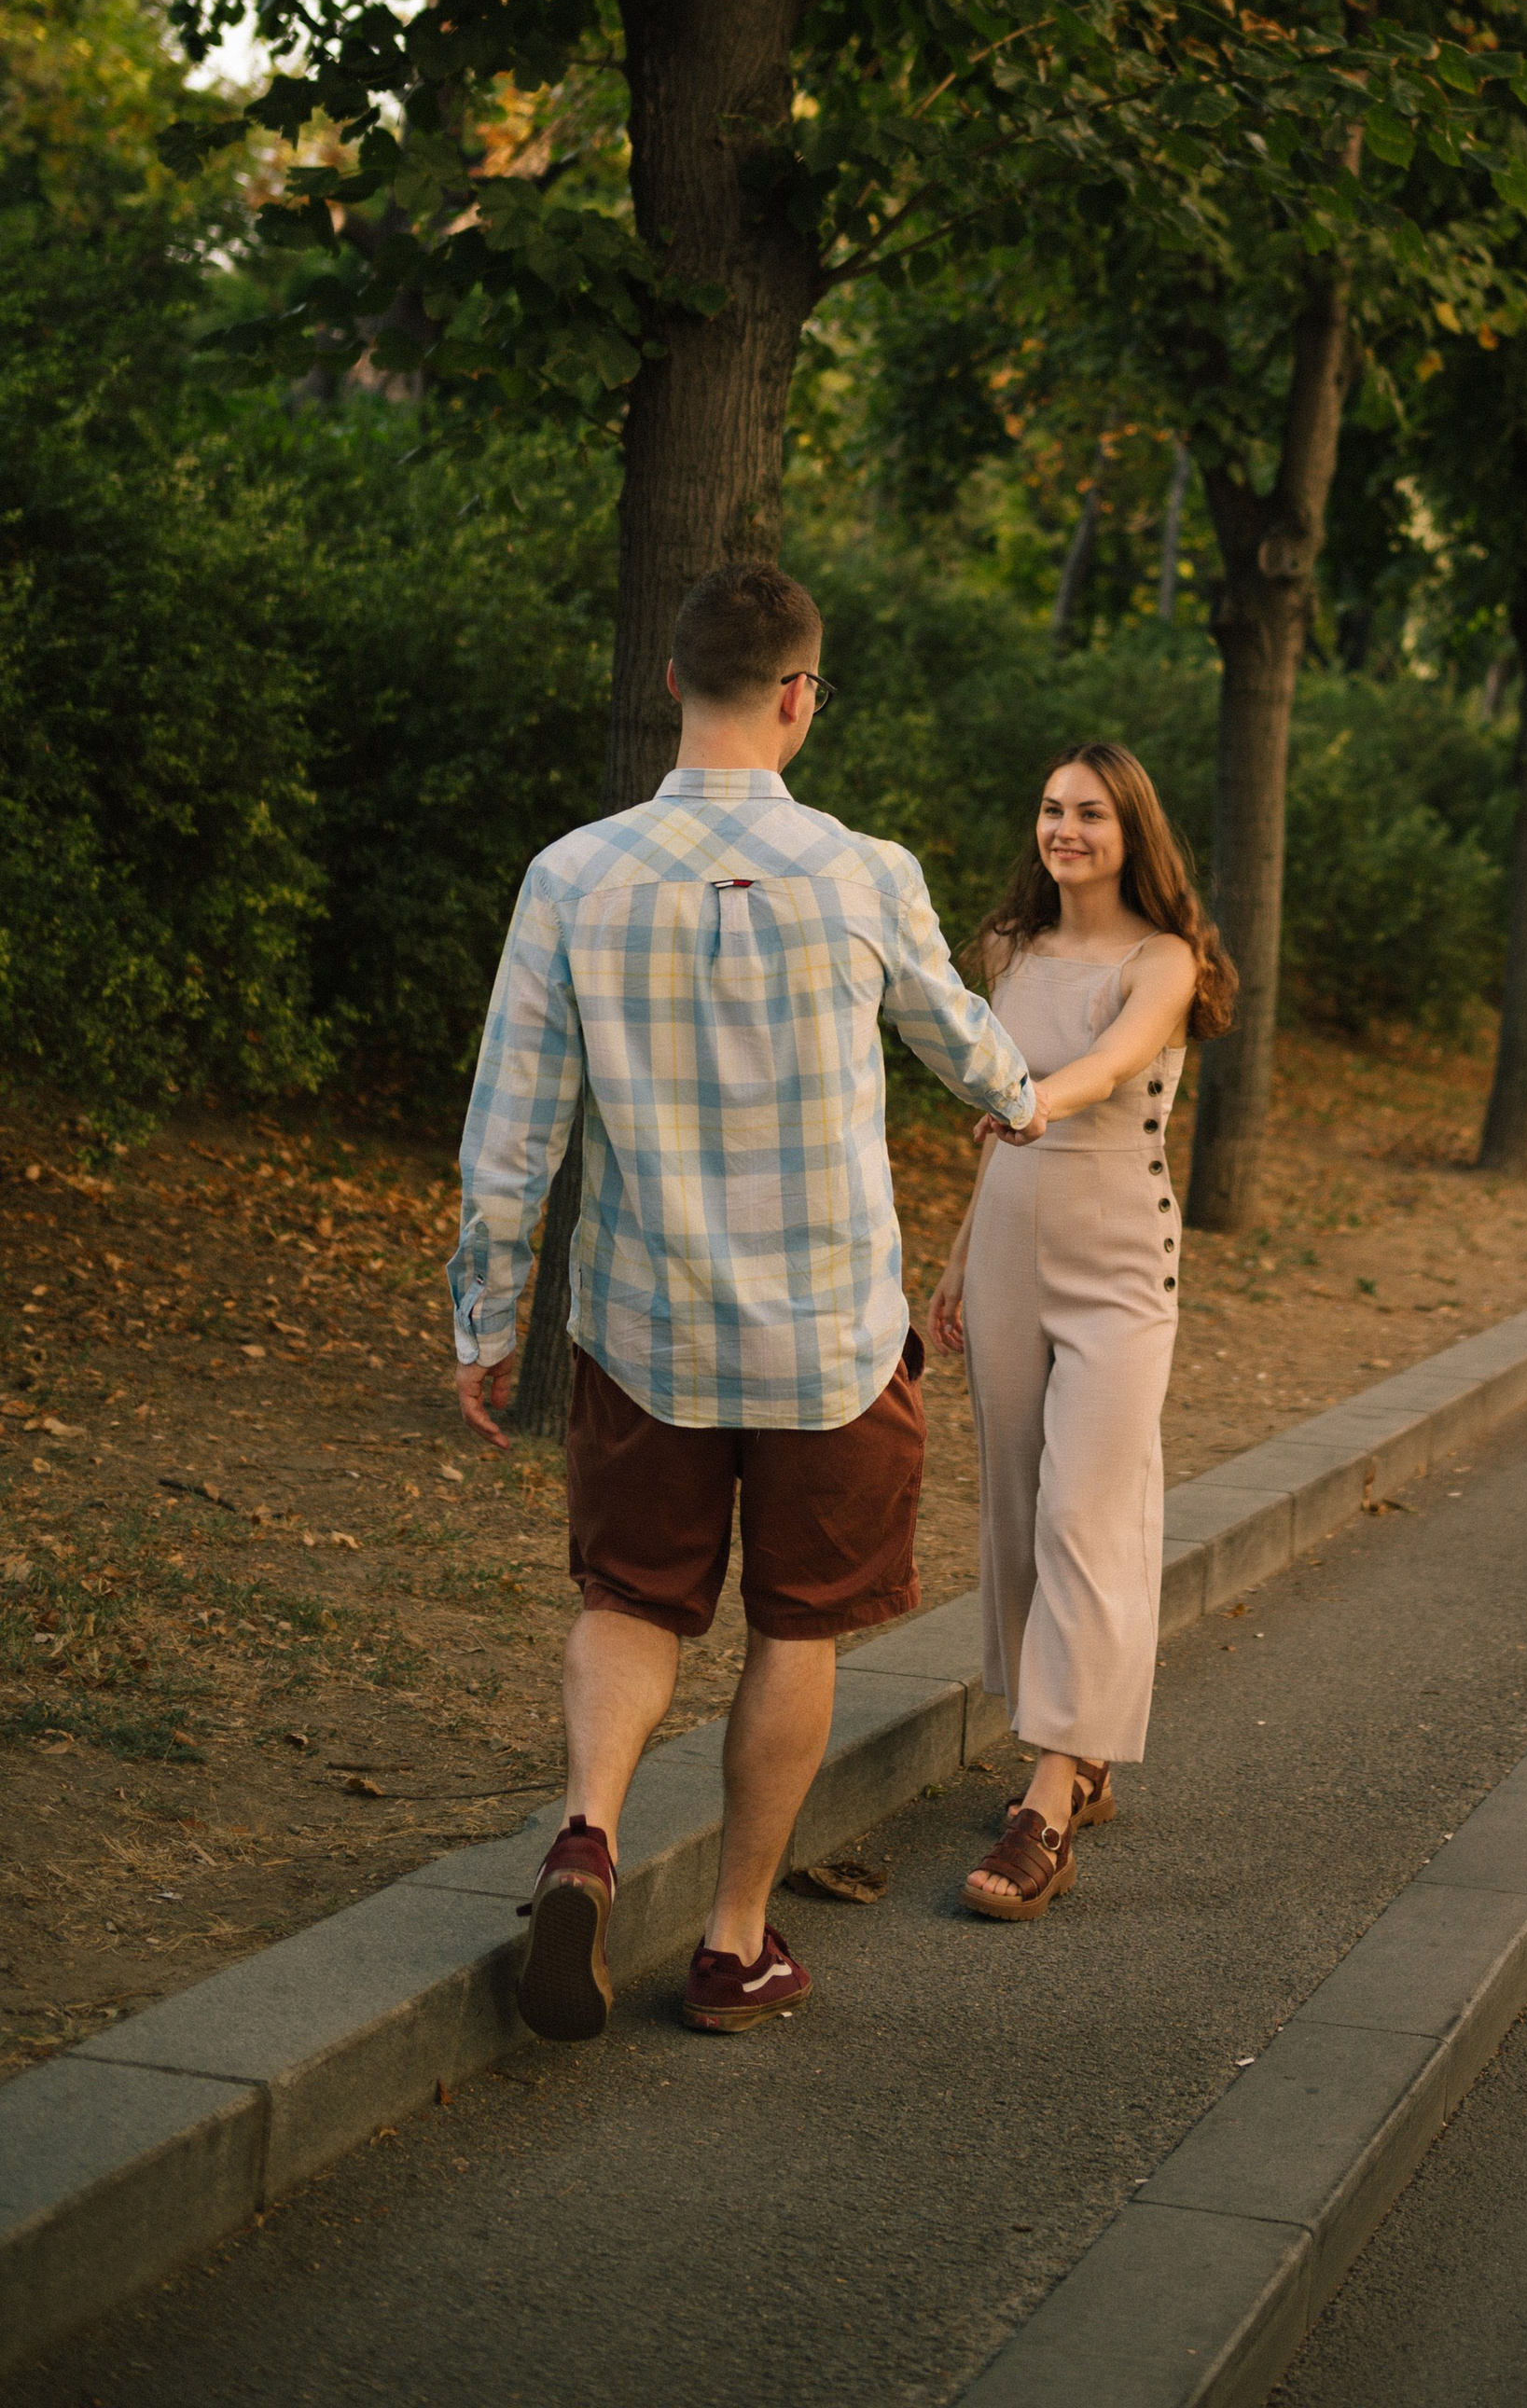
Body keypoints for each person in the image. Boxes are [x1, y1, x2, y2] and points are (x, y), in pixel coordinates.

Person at [448, 561, 1041, 2038]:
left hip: (645, 1332)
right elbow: (972, 1057)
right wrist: (1026, 1097)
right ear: (799, 697)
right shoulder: (863, 873)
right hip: (832, 1341)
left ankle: (586, 1834)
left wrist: (486, 1318)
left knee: (629, 1598)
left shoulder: (571, 877)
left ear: (671, 686)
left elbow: (511, 1132)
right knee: (795, 1628)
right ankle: (732, 1943)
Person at [929, 742, 1236, 1920]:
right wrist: (956, 1260)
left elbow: (1105, 1068)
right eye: (1052, 808)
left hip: (1118, 1261)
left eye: (1091, 813)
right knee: (1015, 1502)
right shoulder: (1007, 948)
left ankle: (1046, 1805)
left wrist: (1027, 1098)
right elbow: (1002, 1148)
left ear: (1132, 829)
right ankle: (1077, 1744)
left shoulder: (1164, 957)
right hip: (1006, 1249)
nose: (1066, 828)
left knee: (1084, 1509)